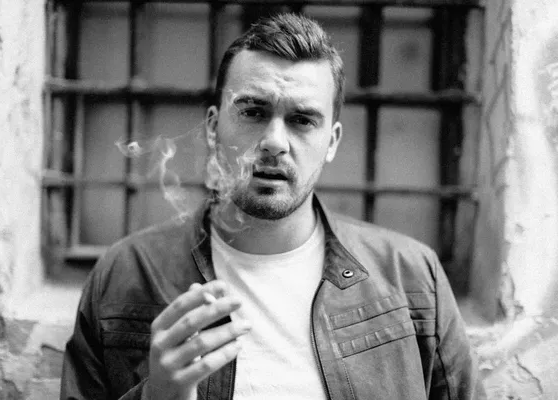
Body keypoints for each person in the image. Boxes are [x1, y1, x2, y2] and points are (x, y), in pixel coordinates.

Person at [61, 13, 477, 400]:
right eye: (253, 112)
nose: (275, 142)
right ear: (213, 127)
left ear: (331, 141)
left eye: (302, 120)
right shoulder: (125, 275)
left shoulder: (411, 277)